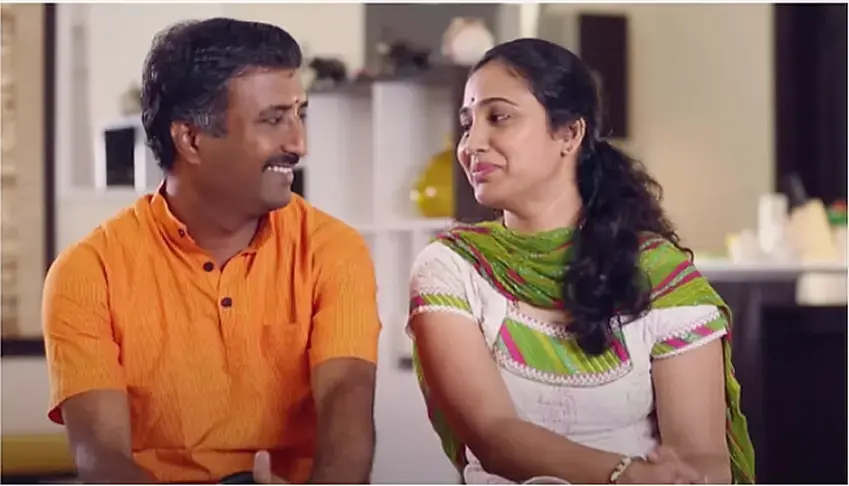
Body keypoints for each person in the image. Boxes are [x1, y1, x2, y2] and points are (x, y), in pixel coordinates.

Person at [42, 18, 381, 484]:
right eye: (273, 119)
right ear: (192, 139)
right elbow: (100, 457)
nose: (299, 144)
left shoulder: (332, 250)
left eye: (299, 114)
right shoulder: (88, 272)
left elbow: (348, 403)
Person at [406, 38, 755, 484]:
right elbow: (493, 437)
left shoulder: (658, 274)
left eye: (499, 117)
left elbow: (702, 461)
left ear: (569, 134)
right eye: (467, 123)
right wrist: (627, 477)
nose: (472, 144)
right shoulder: (452, 268)